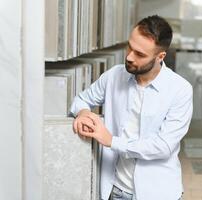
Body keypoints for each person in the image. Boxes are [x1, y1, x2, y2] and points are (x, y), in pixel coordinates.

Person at [70, 15, 193, 200]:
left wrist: (111, 141)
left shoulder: (180, 90)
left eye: (140, 54)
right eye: (130, 47)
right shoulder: (113, 76)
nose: (129, 57)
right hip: (115, 190)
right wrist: (84, 112)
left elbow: (163, 146)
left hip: (158, 193)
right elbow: (80, 100)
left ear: (160, 57)